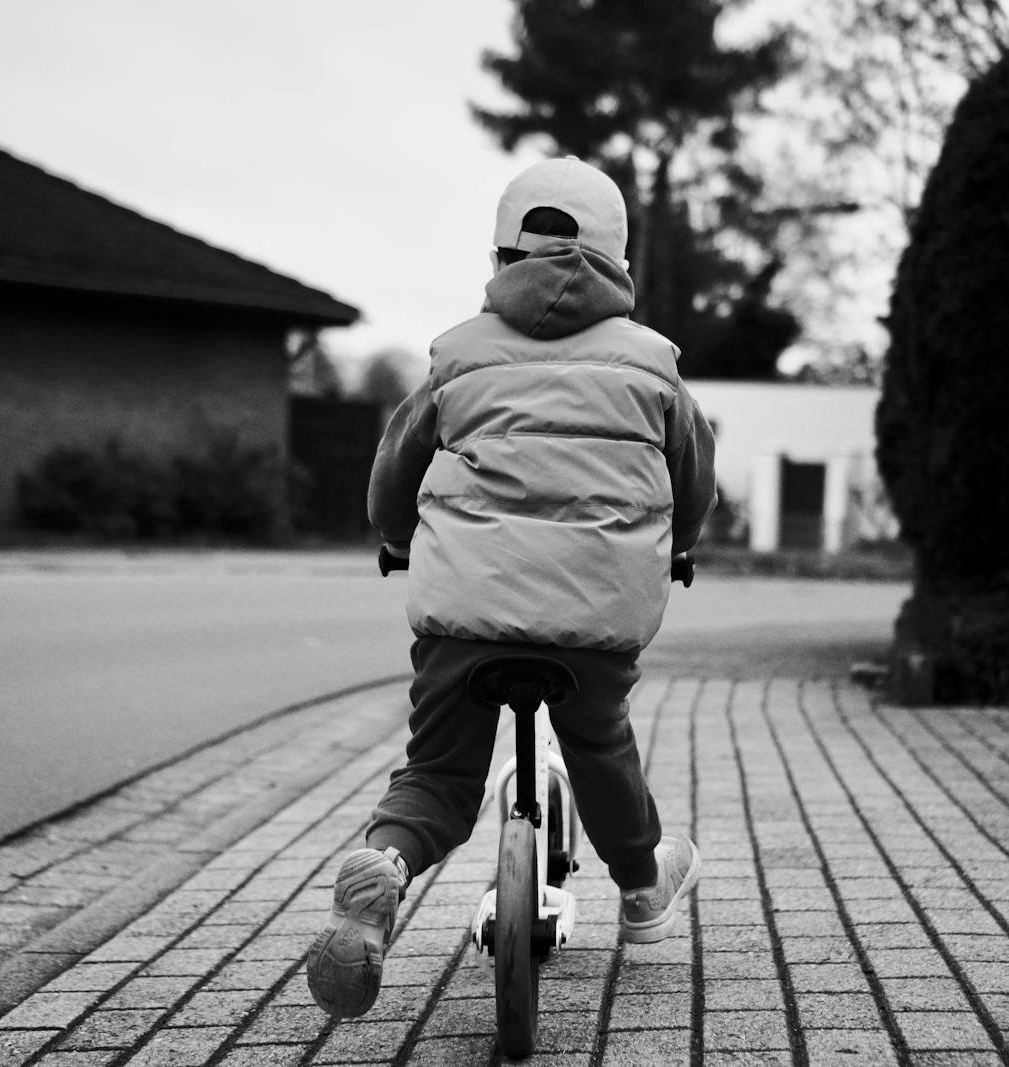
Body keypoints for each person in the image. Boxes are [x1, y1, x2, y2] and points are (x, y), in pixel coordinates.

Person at [306, 156, 719, 1019]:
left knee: (438, 773)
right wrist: (678, 544)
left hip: (464, 614)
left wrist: (395, 537)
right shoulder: (653, 366)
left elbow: (394, 471)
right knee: (601, 745)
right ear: (620, 261)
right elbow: (692, 475)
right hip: (596, 617)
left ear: (499, 259)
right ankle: (643, 893)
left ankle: (382, 870)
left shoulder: (457, 355)